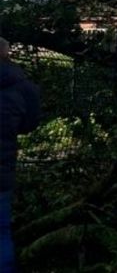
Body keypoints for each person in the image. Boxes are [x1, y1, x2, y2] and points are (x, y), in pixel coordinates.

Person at [1, 37, 40, 273]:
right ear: (7, 53)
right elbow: (29, 124)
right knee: (1, 232)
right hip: (3, 171)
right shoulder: (23, 86)